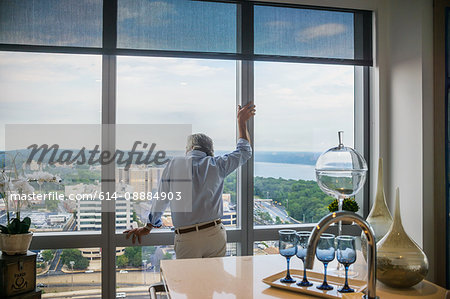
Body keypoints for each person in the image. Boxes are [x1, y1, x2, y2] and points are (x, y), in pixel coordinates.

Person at [124, 102, 256, 259]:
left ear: (190, 148)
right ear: (209, 151)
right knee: (214, 282)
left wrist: (149, 226)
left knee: (187, 282)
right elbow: (244, 151)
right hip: (215, 234)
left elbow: (161, 199)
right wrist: (241, 122)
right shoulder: (218, 165)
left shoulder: (175, 164)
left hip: (187, 238)